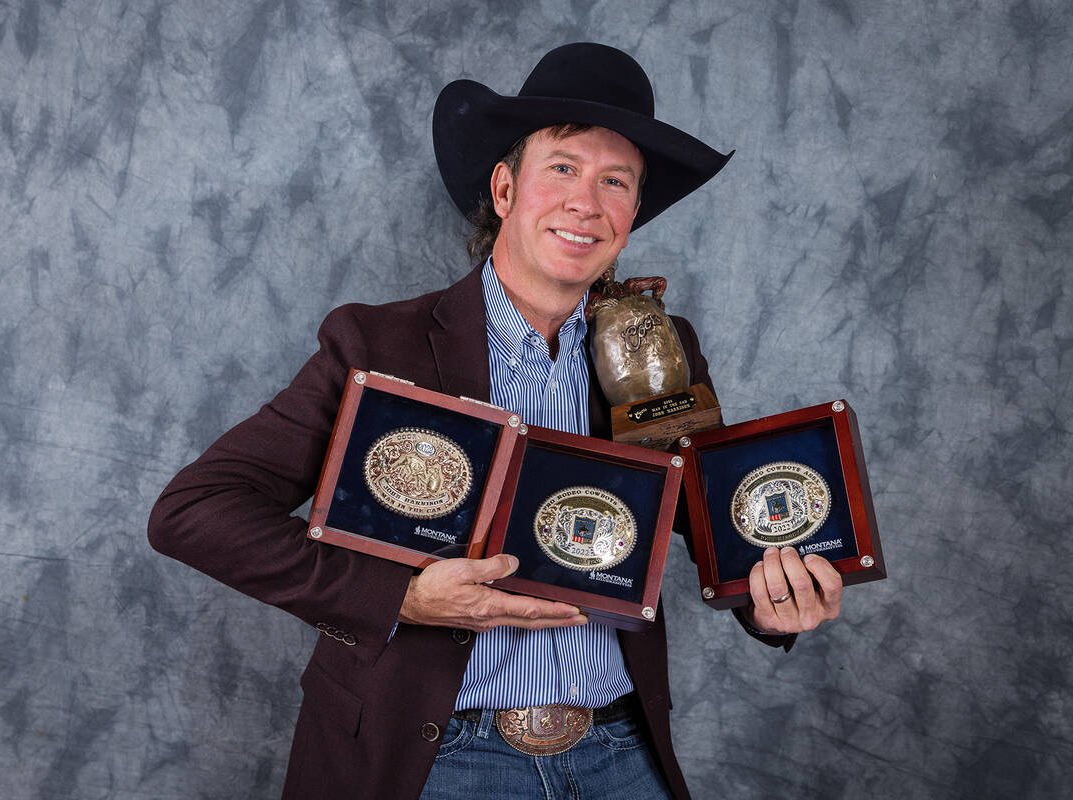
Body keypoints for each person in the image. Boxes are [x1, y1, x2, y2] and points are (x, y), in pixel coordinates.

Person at [148, 42, 842, 800]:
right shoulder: (377, 345)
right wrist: (401, 598)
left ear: (633, 213)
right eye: (565, 169)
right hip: (435, 759)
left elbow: (717, 529)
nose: (587, 201)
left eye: (616, 181)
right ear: (506, 189)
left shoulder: (660, 351)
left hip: (618, 752)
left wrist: (774, 608)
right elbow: (193, 512)